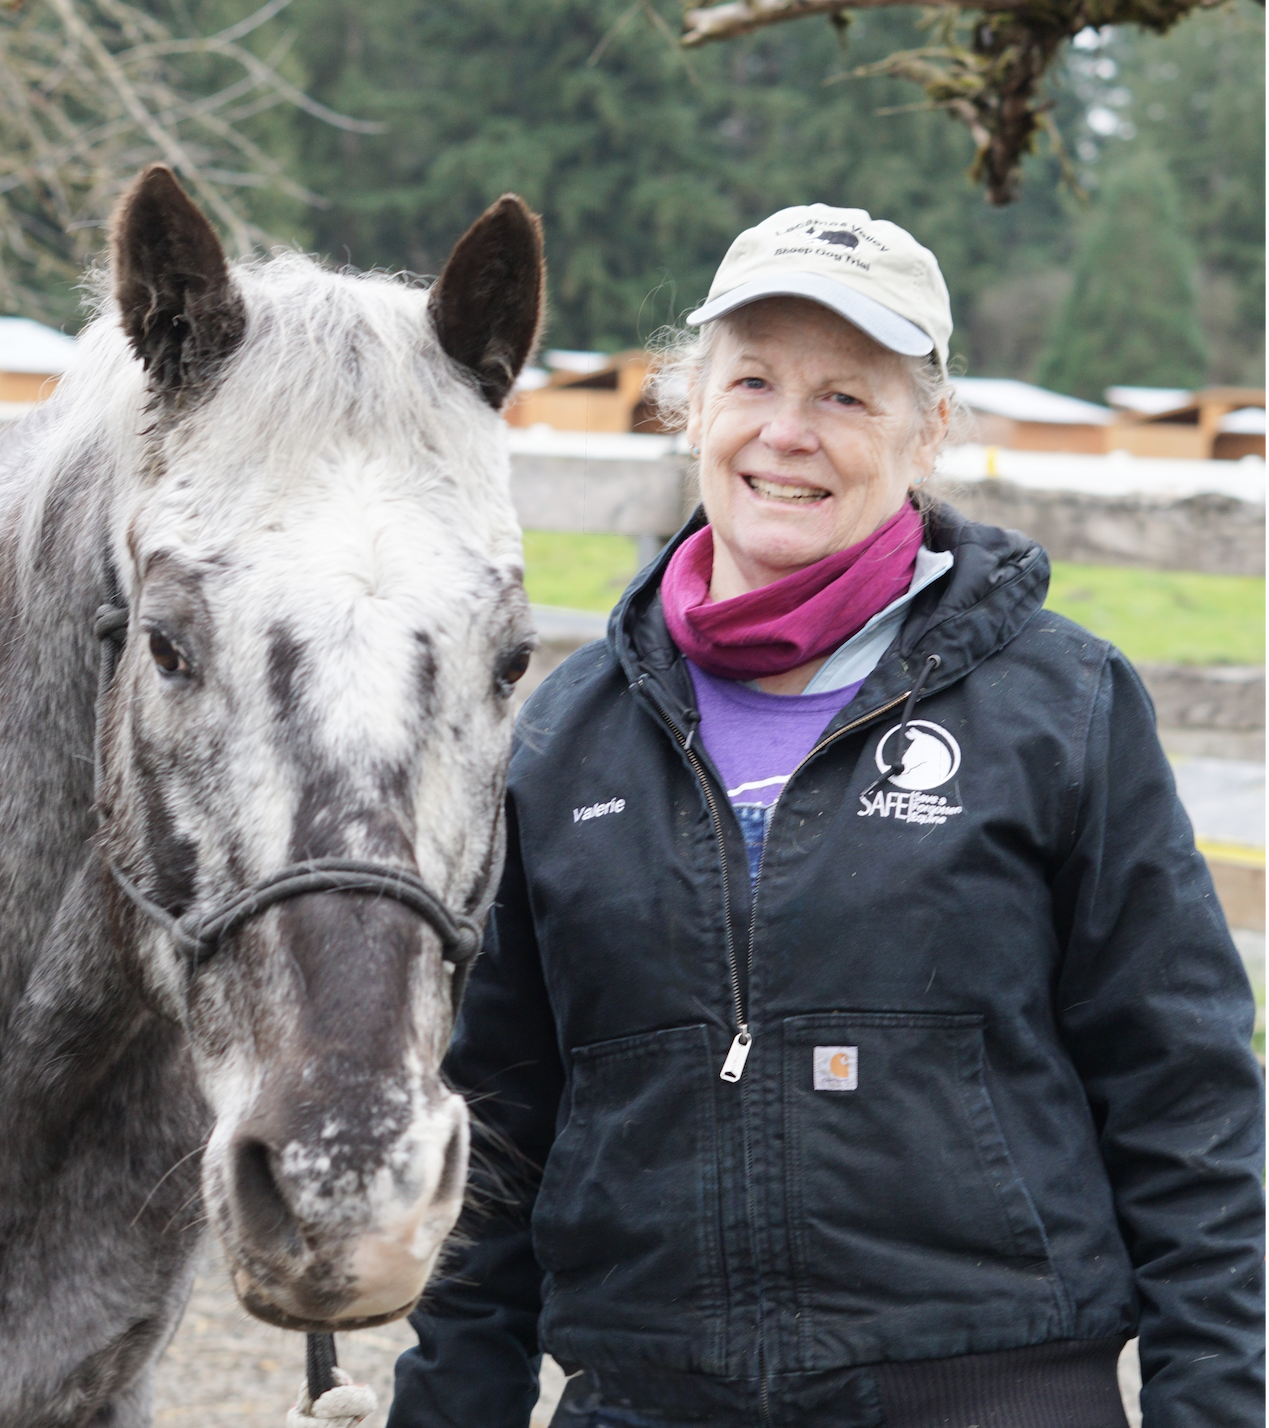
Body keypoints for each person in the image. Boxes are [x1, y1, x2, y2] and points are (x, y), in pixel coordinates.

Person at [387, 206, 1264, 1428]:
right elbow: (499, 1125)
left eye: (845, 396)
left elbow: (1185, 1102)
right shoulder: (561, 736)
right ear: (691, 407)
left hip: (987, 1394)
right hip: (644, 1400)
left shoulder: (1059, 707)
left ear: (927, 432)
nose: (786, 433)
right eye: (751, 382)